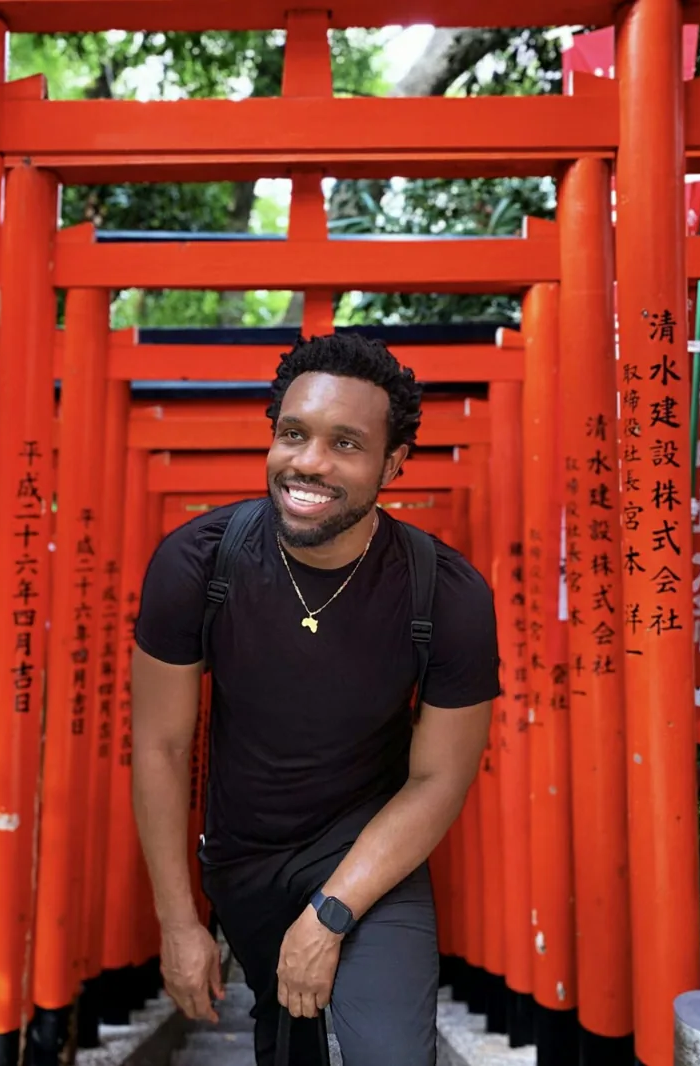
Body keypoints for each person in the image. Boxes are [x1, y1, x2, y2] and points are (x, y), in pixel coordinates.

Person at [131, 332, 500, 1066]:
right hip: (244, 859)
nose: (309, 462)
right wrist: (179, 923)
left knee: (389, 1054)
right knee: (289, 1040)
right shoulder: (198, 563)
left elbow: (440, 777)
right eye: (293, 434)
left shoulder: (446, 595)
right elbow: (162, 745)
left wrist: (330, 912)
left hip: (370, 847)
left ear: (393, 463)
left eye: (346, 444)